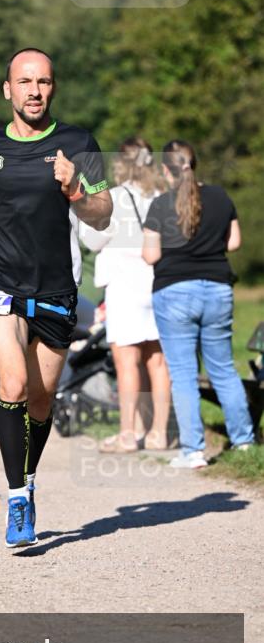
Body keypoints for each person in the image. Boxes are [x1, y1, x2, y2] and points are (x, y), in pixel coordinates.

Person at [0, 48, 112, 547]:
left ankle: (28, 479)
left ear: (53, 88)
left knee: (41, 401)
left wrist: (74, 190)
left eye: (43, 82)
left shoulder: (78, 142)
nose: (34, 91)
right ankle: (16, 499)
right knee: (13, 380)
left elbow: (103, 213)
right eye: (24, 82)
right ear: (7, 90)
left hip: (56, 287)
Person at [142, 140, 255, 468]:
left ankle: (192, 451)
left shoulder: (161, 204)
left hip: (174, 292)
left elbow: (151, 255)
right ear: (195, 163)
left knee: (184, 373)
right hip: (218, 289)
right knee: (223, 369)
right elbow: (233, 242)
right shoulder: (220, 197)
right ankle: (244, 441)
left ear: (166, 170)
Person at [79, 138, 172, 452]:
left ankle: (128, 434)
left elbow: (93, 240)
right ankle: (158, 432)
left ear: (120, 164)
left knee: (127, 362)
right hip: (158, 284)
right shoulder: (163, 197)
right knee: (157, 361)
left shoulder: (115, 198)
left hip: (124, 287)